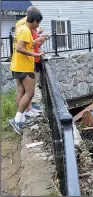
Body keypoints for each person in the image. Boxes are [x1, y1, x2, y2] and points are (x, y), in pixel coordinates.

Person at [9, 7, 45, 135]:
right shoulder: (25, 30)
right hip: (24, 66)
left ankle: (21, 118)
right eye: (38, 22)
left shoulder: (20, 29)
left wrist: (36, 42)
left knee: (22, 91)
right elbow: (19, 48)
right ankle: (17, 120)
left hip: (17, 65)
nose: (39, 25)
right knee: (29, 93)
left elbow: (25, 44)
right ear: (34, 21)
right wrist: (36, 54)